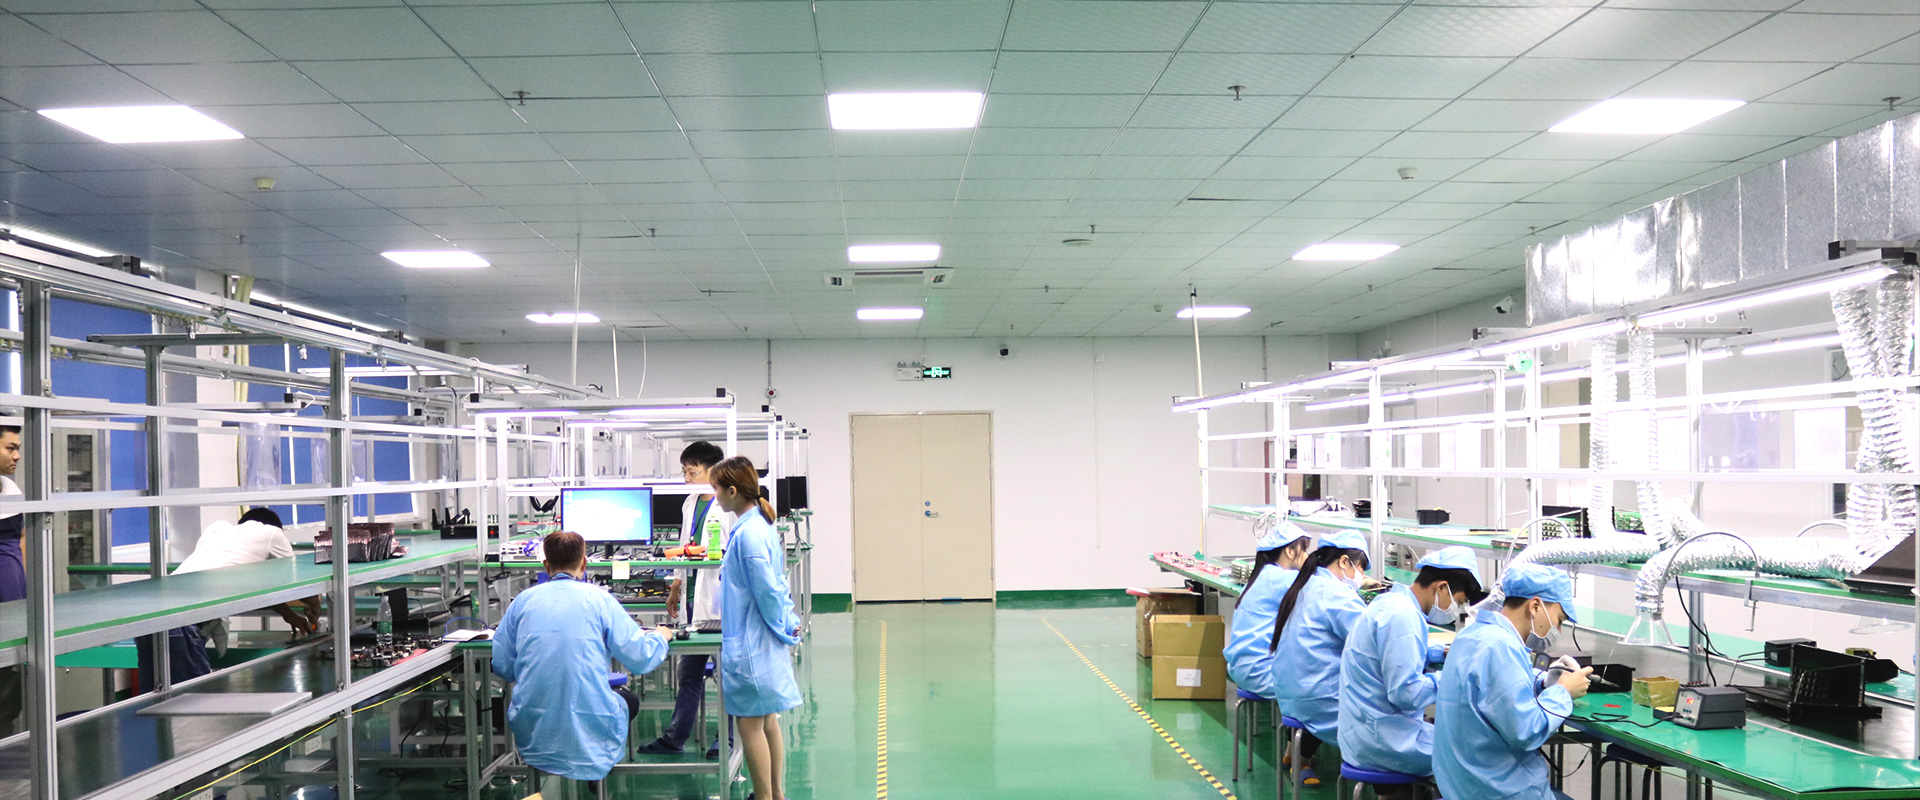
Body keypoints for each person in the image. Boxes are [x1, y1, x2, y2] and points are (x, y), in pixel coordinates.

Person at [493, 531, 675, 789]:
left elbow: (503, 666)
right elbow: (640, 658)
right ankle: (594, 771)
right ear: (584, 563)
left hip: (533, 726)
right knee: (628, 700)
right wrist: (660, 637)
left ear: (546, 565)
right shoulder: (599, 600)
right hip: (590, 717)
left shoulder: (522, 601)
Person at [1434, 564, 1592, 800]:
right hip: (1499, 791)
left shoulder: (1472, 635)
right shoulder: (1502, 647)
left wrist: (1542, 682)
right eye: (1559, 620)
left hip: (1460, 786)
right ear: (1535, 606)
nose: (1558, 629)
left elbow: (1496, 685)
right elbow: (1526, 732)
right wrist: (1562, 692)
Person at [1338, 546, 1486, 785]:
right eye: (1458, 602)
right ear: (1441, 587)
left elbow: (1392, 653)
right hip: (1383, 740)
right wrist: (1451, 676)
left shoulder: (1391, 603)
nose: (1456, 610)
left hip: (1363, 730)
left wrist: (1437, 653)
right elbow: (1406, 694)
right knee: (1479, 752)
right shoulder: (1403, 616)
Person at [137, 507, 324, 693]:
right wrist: (315, 605)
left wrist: (290, 615)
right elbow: (296, 581)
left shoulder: (218, 532)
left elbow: (260, 583)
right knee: (192, 705)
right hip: (180, 624)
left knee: (154, 702)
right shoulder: (272, 533)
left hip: (148, 619)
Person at [709, 456, 802, 800]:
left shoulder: (749, 534)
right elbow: (774, 586)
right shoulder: (757, 527)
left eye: (717, 489)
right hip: (758, 639)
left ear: (733, 491)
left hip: (752, 644)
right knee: (767, 721)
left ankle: (764, 796)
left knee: (749, 725)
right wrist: (786, 624)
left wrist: (785, 625)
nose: (715, 496)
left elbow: (768, 591)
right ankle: (775, 793)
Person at [640, 441, 737, 758]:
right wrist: (675, 586)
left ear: (712, 470)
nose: (685, 478)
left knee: (725, 675)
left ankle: (727, 740)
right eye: (683, 471)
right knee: (688, 674)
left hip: (719, 600)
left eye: (691, 472)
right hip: (692, 600)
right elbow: (685, 546)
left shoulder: (727, 505)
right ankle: (675, 738)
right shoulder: (690, 502)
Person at [1269, 528, 1371, 788]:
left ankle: (1295, 753)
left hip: (1288, 689)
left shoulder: (1307, 583)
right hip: (1316, 696)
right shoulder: (1338, 595)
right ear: (1344, 562)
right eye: (1360, 568)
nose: (1361, 576)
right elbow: (1370, 644)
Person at [1223, 517, 1313, 699]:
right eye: (1304, 551)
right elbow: (1321, 589)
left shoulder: (1263, 574)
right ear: (1290, 551)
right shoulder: (1280, 578)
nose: (1306, 557)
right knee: (1324, 684)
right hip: (1261, 672)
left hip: (1240, 668)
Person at [0, 425, 20, 735]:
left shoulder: (11, 490)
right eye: (10, 448)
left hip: (12, 602)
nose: (16, 456)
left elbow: (21, 538)